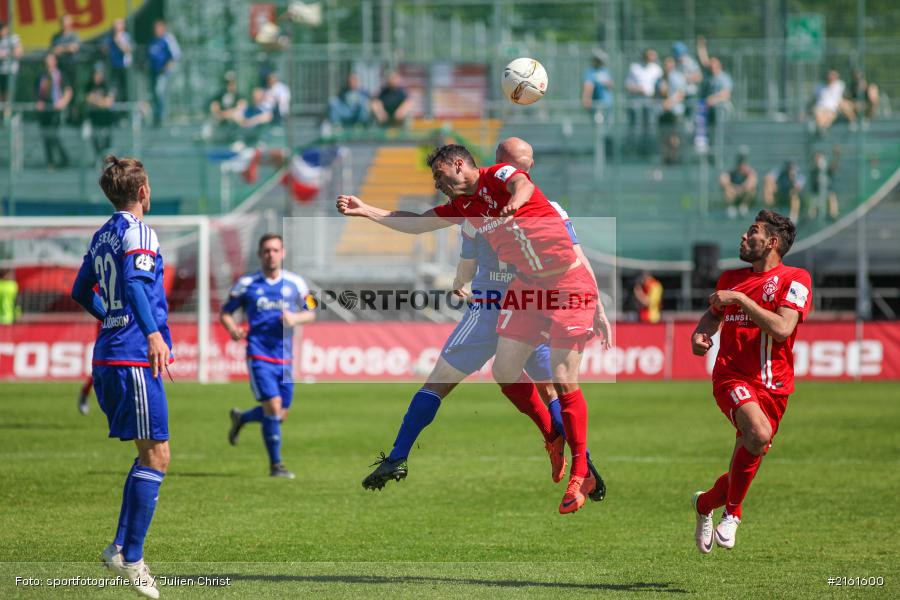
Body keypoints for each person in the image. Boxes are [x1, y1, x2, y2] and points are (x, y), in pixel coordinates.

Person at [338, 143, 603, 514]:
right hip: (523, 290)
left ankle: (579, 469)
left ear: (458, 164)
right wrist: (366, 210)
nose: (436, 183)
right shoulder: (466, 208)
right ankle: (565, 447)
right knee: (515, 375)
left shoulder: (501, 177)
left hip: (541, 292)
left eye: (438, 175)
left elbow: (522, 188)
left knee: (557, 380)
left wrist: (514, 203)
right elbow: (418, 222)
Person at [70, 156, 173, 598]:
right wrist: (151, 333)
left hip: (109, 356)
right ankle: (132, 558)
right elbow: (133, 283)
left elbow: (80, 289)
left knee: (148, 455)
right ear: (144, 192)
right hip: (131, 358)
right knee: (158, 457)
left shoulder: (102, 235)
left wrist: (110, 317)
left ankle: (118, 547)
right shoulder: (139, 231)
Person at [690, 210, 812, 554]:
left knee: (751, 451)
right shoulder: (729, 277)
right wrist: (701, 335)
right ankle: (733, 514)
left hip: (776, 387)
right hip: (731, 376)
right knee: (757, 434)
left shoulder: (797, 278)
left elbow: (783, 328)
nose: (744, 237)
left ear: (772, 242)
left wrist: (741, 299)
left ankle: (704, 505)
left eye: (752, 232)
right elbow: (712, 316)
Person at [222, 234, 316, 479]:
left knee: (280, 414)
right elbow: (226, 313)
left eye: (275, 250)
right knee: (273, 408)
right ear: (259, 254)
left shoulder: (297, 283)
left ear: (282, 253)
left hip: (285, 358)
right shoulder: (246, 284)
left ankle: (242, 418)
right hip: (259, 354)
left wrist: (295, 318)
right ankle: (276, 466)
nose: (271, 254)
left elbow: (313, 310)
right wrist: (233, 329)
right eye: (266, 251)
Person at [35, 53, 72, 169]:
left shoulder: (60, 75)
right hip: (44, 110)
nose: (48, 63)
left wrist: (62, 103)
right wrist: (38, 101)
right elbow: (36, 92)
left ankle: (65, 158)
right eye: (46, 61)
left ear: (55, 62)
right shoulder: (41, 76)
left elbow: (68, 91)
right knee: (46, 135)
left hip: (55, 109)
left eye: (50, 61)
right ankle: (50, 162)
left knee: (53, 135)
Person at [625, 48, 662, 156]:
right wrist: (637, 89)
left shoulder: (657, 69)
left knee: (650, 124)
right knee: (635, 124)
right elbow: (627, 85)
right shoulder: (634, 68)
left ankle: (648, 148)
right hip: (637, 99)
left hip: (650, 99)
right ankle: (633, 148)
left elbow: (661, 86)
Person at [147, 20, 180, 127]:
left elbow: (176, 55)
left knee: (160, 93)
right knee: (154, 94)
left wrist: (166, 68)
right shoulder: (153, 41)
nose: (155, 30)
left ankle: (161, 117)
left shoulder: (167, 39)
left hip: (163, 73)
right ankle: (156, 116)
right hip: (153, 72)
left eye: (158, 28)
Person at [656, 56, 687, 164]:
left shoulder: (678, 77)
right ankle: (666, 158)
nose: (667, 66)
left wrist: (670, 103)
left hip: (675, 112)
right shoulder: (660, 79)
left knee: (674, 136)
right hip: (663, 112)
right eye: (665, 64)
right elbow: (659, 94)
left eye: (669, 64)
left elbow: (681, 94)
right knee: (664, 136)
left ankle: (675, 158)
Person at [811, 70, 855, 136]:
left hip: (833, 108)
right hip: (821, 107)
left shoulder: (840, 85)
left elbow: (846, 96)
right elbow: (813, 98)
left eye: (833, 76)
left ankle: (821, 128)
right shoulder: (820, 86)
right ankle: (821, 128)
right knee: (818, 114)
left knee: (830, 115)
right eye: (830, 76)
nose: (831, 78)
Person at [85, 68, 117, 160]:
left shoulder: (107, 85)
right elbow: (87, 98)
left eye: (98, 74)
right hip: (94, 118)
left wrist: (95, 100)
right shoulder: (89, 85)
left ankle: (106, 160)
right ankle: (97, 159)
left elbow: (108, 103)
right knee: (95, 140)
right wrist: (101, 101)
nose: (96, 77)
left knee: (106, 142)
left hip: (106, 119)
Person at [719, 153, 758, 218]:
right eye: (740, 163)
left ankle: (744, 206)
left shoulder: (749, 172)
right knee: (727, 189)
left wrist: (741, 188)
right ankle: (731, 207)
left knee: (751, 189)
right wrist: (734, 188)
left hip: (744, 193)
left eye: (743, 163)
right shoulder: (731, 172)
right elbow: (723, 180)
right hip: (733, 193)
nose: (741, 165)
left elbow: (752, 182)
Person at [104, 19, 132, 101]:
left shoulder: (126, 36)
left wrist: (119, 42)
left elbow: (127, 50)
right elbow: (105, 49)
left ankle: (127, 106)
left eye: (118, 24)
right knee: (113, 88)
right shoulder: (110, 37)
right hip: (113, 66)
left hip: (124, 66)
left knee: (125, 88)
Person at [809, 148, 840, 220]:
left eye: (820, 157)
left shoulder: (826, 168)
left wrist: (836, 156)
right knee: (813, 203)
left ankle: (833, 215)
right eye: (817, 157)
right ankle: (812, 217)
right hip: (816, 192)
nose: (819, 160)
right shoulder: (814, 169)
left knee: (832, 196)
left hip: (827, 190)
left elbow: (833, 167)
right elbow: (815, 183)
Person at [581, 48, 614, 116]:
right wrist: (586, 100)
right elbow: (588, 87)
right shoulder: (590, 72)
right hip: (598, 106)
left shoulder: (605, 70)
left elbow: (611, 85)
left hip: (608, 105)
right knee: (599, 125)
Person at [51, 14, 80, 87]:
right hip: (59, 67)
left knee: (72, 89)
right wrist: (67, 48)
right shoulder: (56, 37)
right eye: (62, 22)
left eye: (66, 22)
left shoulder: (74, 36)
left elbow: (73, 49)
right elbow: (54, 51)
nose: (64, 24)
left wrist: (61, 48)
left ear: (70, 23)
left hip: (71, 67)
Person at [0, 20, 24, 107]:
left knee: (8, 96)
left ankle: (7, 117)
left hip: (10, 72)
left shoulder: (13, 38)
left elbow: (19, 52)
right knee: (2, 97)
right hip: (1, 73)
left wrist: (5, 54)